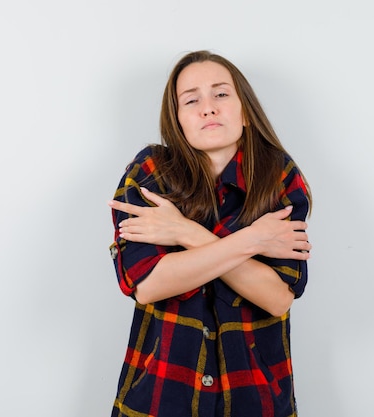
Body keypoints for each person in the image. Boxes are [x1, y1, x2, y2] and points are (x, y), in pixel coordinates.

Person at [107, 50, 312, 417]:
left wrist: (183, 232)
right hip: (160, 396)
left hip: (256, 398)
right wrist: (253, 240)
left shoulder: (280, 178)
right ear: (178, 120)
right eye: (191, 99)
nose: (207, 108)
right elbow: (149, 285)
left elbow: (277, 297)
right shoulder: (150, 173)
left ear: (245, 110)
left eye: (220, 94)